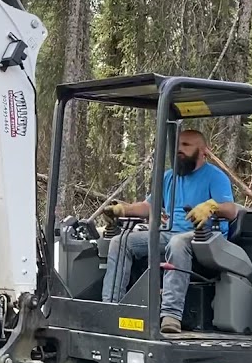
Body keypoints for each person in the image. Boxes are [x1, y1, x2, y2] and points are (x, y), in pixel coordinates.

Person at [99, 129, 238, 334]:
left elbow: (232, 210)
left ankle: (171, 316)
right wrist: (122, 210)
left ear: (202, 151)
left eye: (186, 145)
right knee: (121, 242)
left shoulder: (215, 177)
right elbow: (149, 206)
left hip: (206, 239)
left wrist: (211, 207)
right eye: (178, 145)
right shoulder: (168, 177)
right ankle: (111, 307)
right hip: (170, 233)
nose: (179, 150)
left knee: (178, 243)